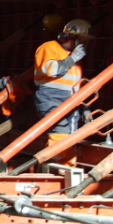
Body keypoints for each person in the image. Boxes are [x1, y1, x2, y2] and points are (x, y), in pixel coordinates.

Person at [33, 19, 93, 162]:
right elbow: (50, 70)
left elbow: (77, 84)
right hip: (51, 97)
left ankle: (67, 167)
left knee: (71, 134)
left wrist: (86, 109)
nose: (85, 45)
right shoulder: (49, 48)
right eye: (83, 41)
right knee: (60, 131)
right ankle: (56, 167)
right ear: (69, 37)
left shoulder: (74, 58)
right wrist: (71, 59)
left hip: (71, 100)